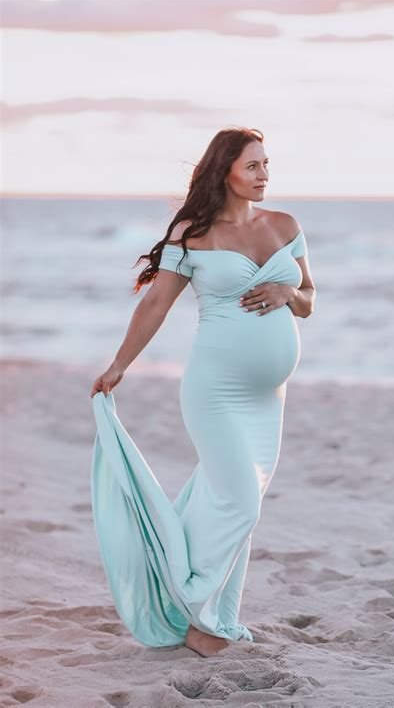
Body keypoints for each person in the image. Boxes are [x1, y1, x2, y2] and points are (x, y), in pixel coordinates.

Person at [90, 126, 316, 658]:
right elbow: (155, 305)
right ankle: (187, 601)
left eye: (266, 165)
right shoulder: (191, 234)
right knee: (239, 502)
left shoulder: (286, 225)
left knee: (232, 500)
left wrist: (288, 292)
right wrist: (120, 364)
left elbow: (309, 299)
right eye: (253, 166)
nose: (264, 176)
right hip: (215, 391)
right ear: (225, 172)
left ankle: (214, 623)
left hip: (268, 399)